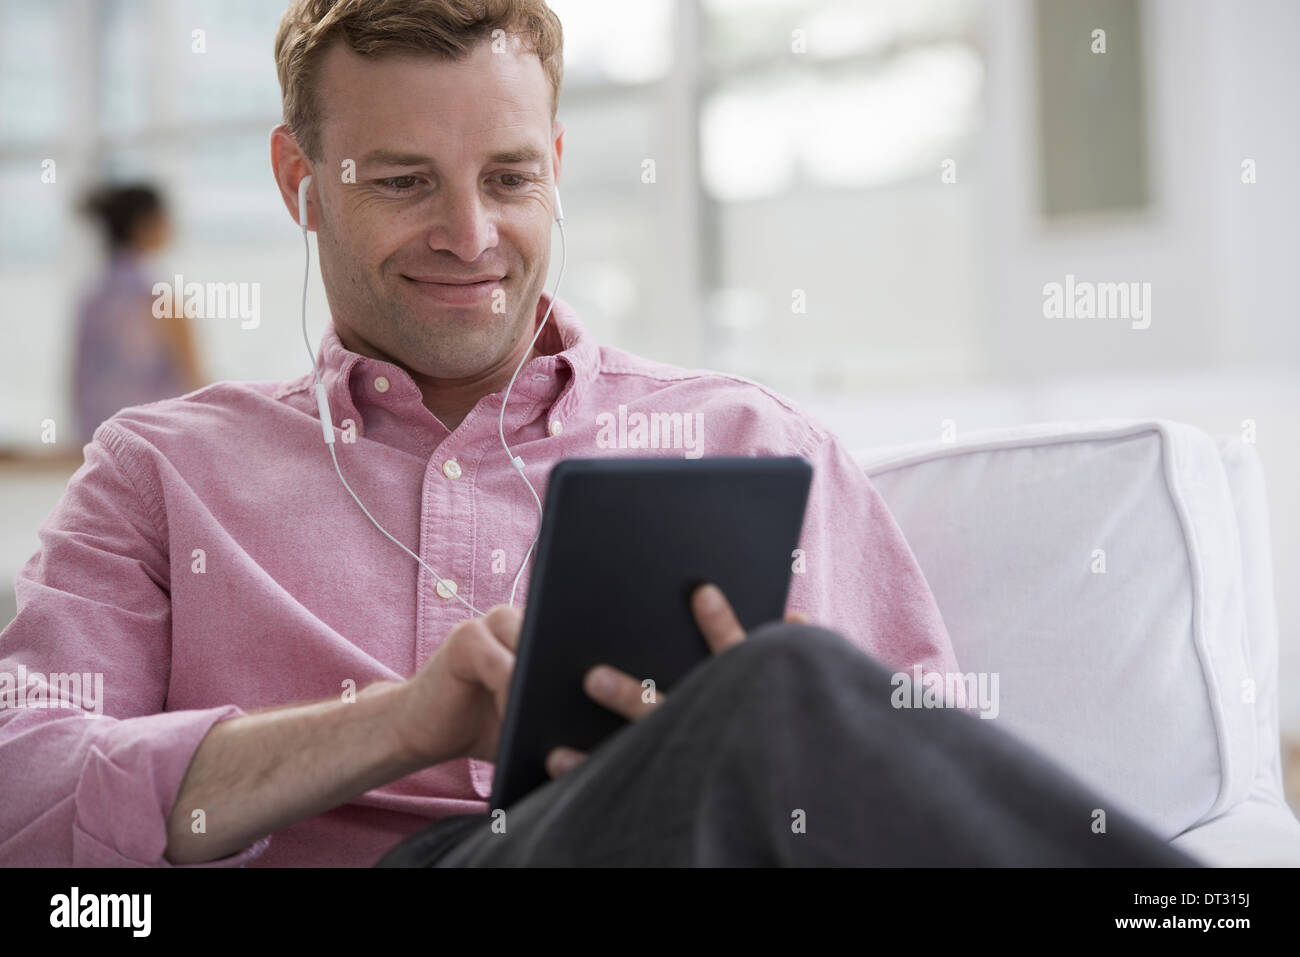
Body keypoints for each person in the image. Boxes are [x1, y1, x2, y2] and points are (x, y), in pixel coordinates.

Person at [0, 0, 1197, 868]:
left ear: (557, 169)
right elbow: (22, 799)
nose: (470, 237)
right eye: (405, 182)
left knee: (776, 694)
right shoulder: (161, 474)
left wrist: (724, 758)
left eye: (510, 179)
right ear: (299, 179)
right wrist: (404, 724)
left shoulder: (745, 441)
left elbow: (917, 778)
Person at [72, 184, 204, 445]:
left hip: (96, 442)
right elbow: (195, 381)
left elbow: (78, 383)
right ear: (147, 224)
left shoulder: (92, 297)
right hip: (156, 442)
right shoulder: (160, 296)